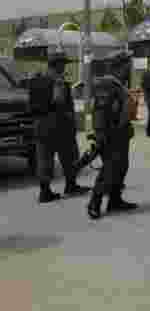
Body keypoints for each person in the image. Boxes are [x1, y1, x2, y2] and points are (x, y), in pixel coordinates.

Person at [28, 51, 90, 203]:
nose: (64, 67)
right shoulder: (58, 81)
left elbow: (32, 105)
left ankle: (45, 192)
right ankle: (71, 186)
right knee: (69, 157)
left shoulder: (36, 80)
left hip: (40, 126)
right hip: (59, 126)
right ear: (58, 65)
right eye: (63, 64)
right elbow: (58, 101)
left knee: (44, 159)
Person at [87, 53, 139, 220]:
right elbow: (101, 112)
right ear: (119, 67)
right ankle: (94, 203)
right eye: (126, 66)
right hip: (111, 134)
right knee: (109, 170)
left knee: (121, 168)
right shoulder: (108, 84)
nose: (128, 70)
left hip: (120, 133)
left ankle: (115, 201)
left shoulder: (117, 84)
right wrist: (102, 134)